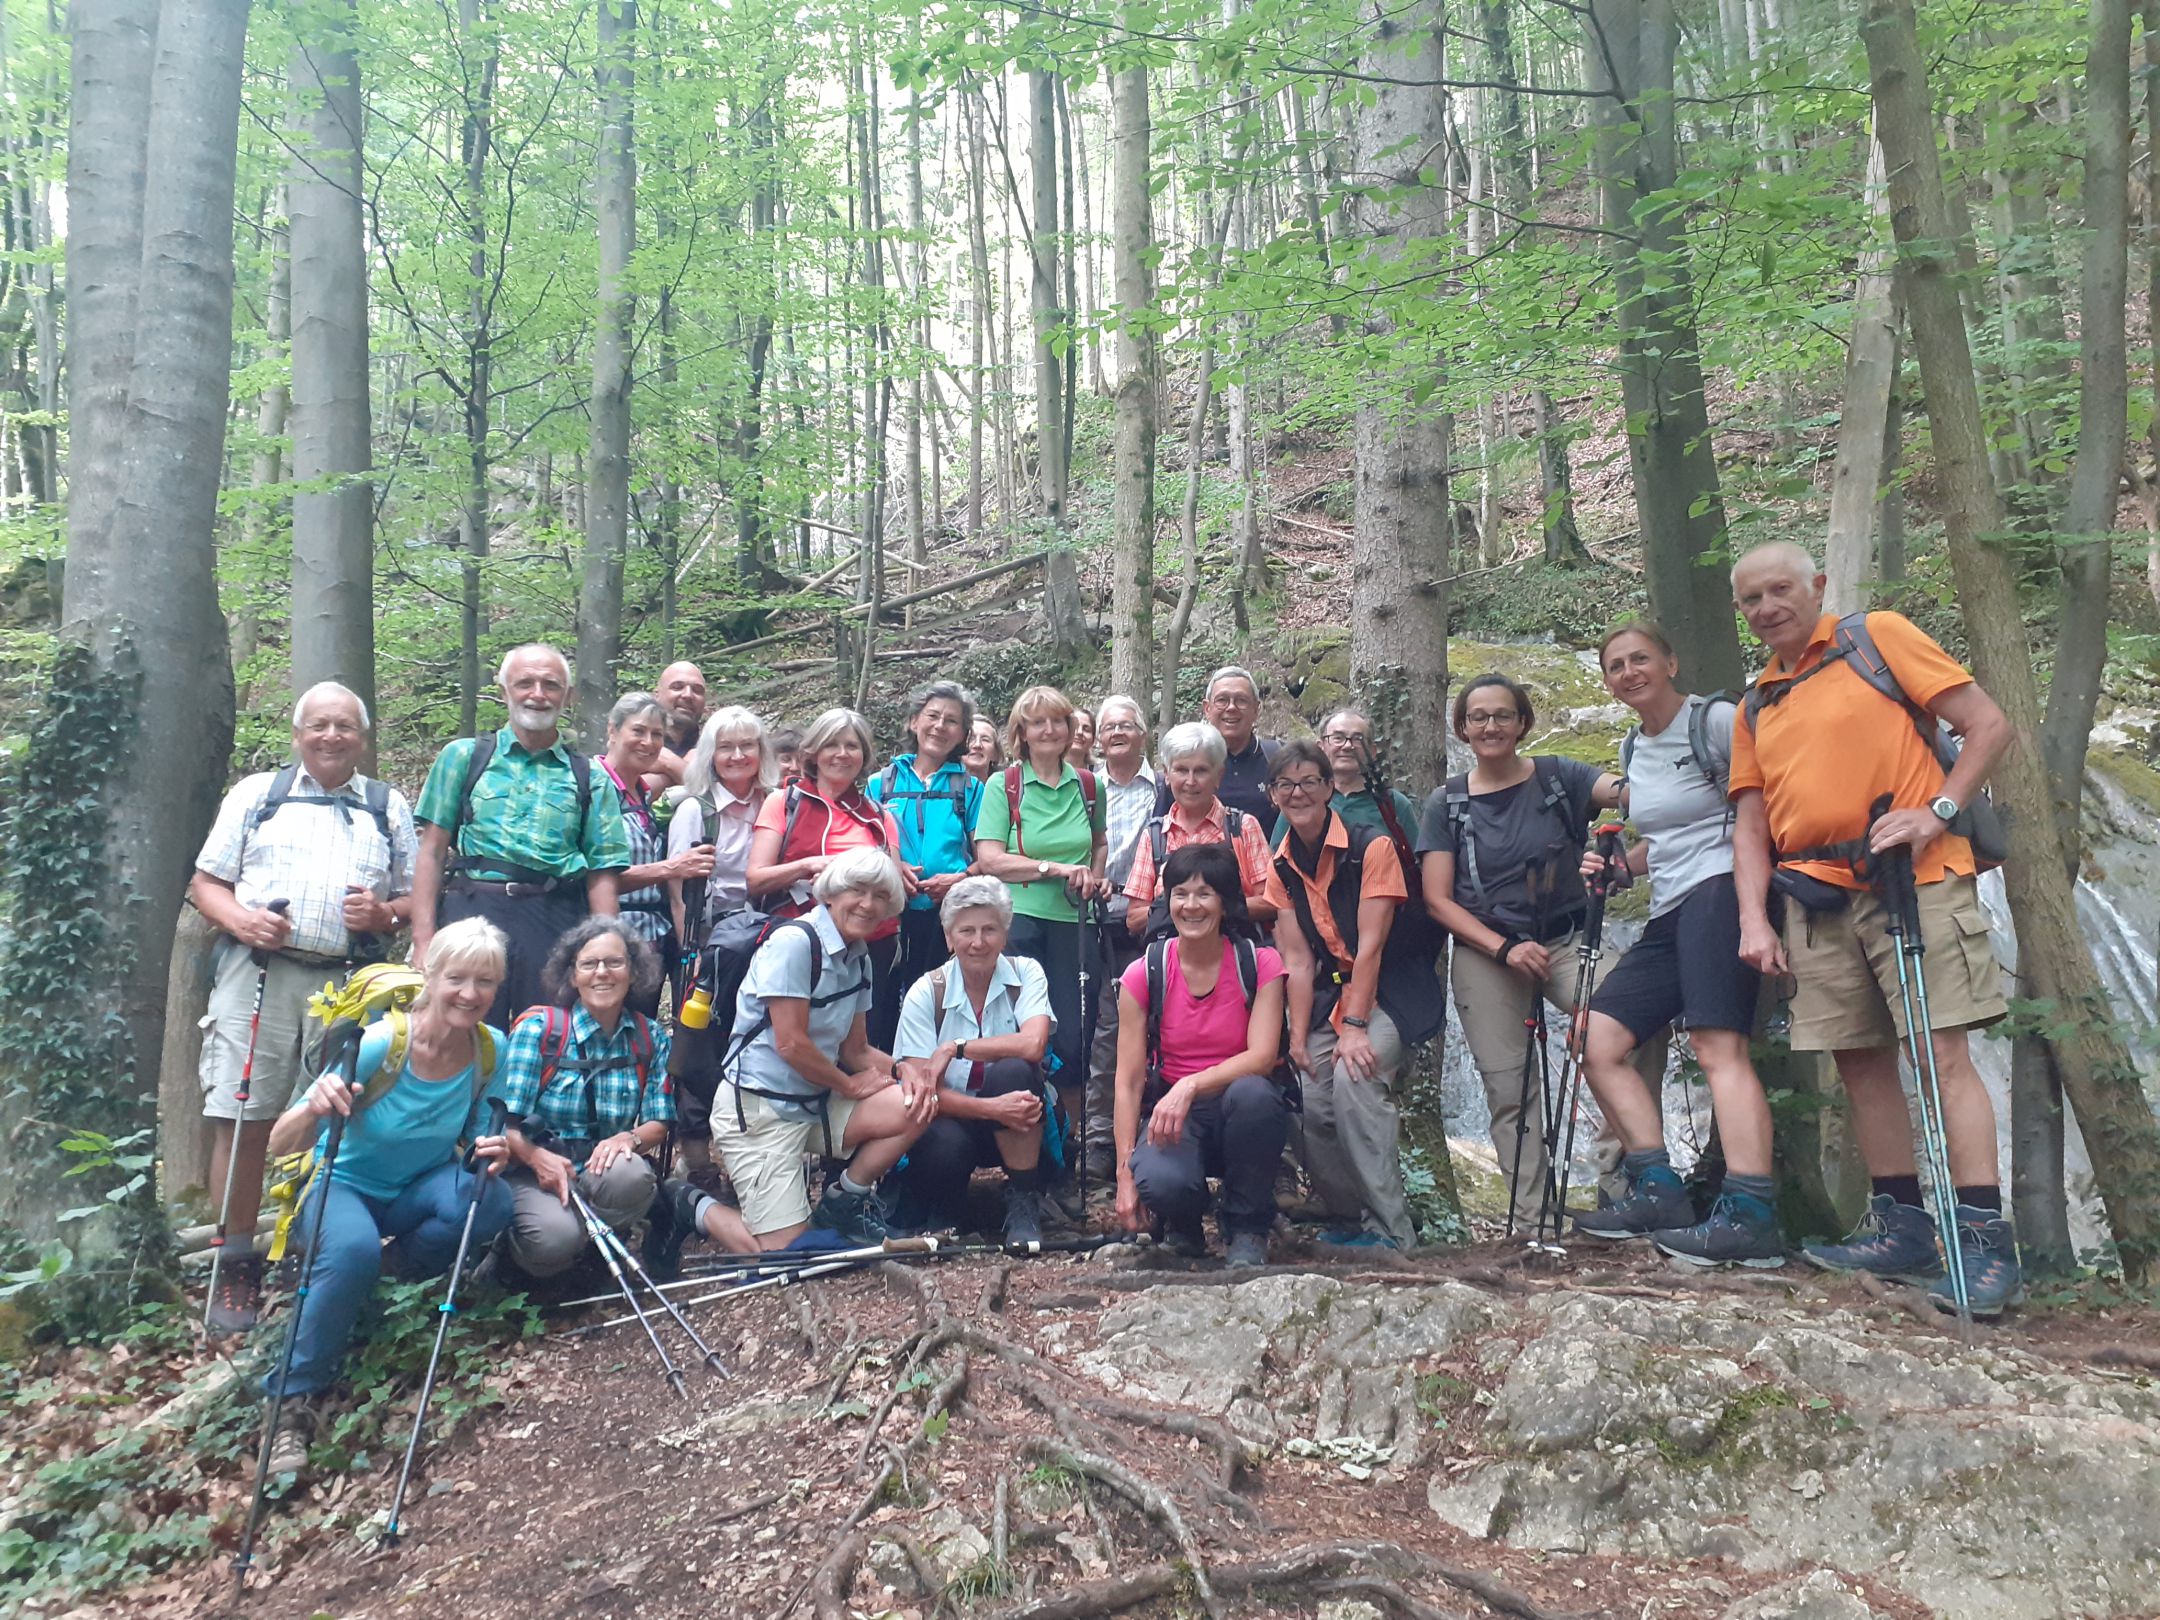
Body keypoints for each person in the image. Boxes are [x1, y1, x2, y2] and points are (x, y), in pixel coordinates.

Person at [1728, 542, 2018, 1313]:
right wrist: (1754, 919)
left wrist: (1939, 811)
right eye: (1752, 599)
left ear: (1817, 585)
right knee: (1858, 1061)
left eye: (1780, 589)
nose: (1767, 608)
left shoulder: (1876, 638)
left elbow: (1988, 725)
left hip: (1913, 880)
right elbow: (1750, 824)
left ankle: (1984, 1245)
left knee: (1940, 1054)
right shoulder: (1756, 702)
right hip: (1812, 897)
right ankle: (1903, 1229)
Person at [191, 681, 421, 1334]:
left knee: (338, 1114)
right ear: (297, 735)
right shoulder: (257, 796)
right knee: (242, 1113)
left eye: (344, 726)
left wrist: (384, 914)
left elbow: (413, 898)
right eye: (318, 725)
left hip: (351, 980)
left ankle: (312, 1245)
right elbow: (206, 883)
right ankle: (236, 1261)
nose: (331, 736)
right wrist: (243, 921)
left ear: (363, 739)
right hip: (257, 972)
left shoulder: (386, 806)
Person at [257, 917, 515, 1478]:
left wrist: (493, 1152)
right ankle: (290, 1403)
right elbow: (280, 1143)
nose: (470, 994)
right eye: (457, 978)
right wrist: (314, 1105)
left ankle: (388, 1274)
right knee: (352, 1249)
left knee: (491, 1202)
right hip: (340, 1185)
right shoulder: (380, 1043)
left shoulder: (490, 1050)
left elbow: (479, 1142)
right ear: (431, 975)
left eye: (485, 981)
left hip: (415, 1189)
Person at [1570, 623, 1782, 1266]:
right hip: (1670, 907)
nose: (1629, 672)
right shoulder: (1634, 747)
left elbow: (1760, 809)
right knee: (1596, 1039)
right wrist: (1620, 867)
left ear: (1670, 662)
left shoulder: (1713, 722)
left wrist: (1756, 915)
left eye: (1640, 659)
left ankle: (1751, 1215)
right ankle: (1659, 1189)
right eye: (1616, 666)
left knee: (1718, 1047)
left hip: (1722, 893)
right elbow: (1666, 840)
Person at [1417, 673, 1641, 1222]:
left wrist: (1629, 842)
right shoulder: (1447, 803)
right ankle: (1530, 1214)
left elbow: (1631, 795)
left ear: (1522, 722)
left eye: (1502, 715)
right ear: (1462, 728)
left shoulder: (1560, 776)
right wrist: (1504, 950)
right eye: (1478, 717)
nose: (1490, 726)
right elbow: (1438, 901)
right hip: (1487, 952)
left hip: (1567, 939)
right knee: (1509, 1085)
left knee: (1635, 1025)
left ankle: (1623, 1185)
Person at [698, 848, 939, 1249]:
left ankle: (845, 1200)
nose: (868, 904)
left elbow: (856, 1050)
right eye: (857, 890)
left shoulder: (858, 957)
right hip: (761, 1110)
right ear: (831, 893)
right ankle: (690, 1205)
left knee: (917, 1102)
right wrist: (848, 1086)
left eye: (880, 896)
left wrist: (904, 1070)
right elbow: (791, 1044)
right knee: (786, 1254)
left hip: (813, 1103)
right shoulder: (794, 943)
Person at [411, 645, 629, 1027]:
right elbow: (432, 852)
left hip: (554, 917)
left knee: (549, 1033)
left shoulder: (591, 777)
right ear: (504, 692)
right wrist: (424, 940)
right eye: (525, 683)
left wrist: (605, 951)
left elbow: (602, 873)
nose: (537, 694)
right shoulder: (463, 757)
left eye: (551, 685)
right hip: (472, 910)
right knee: (462, 1031)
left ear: (568, 696)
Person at [1262, 740, 1424, 1250]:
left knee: (1356, 1079)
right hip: (1331, 995)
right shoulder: (1281, 864)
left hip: (1390, 992)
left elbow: (1371, 946)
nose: (1298, 793)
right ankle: (1348, 1217)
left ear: (1330, 788)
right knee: (1310, 1093)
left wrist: (1355, 1027)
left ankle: (1391, 1231)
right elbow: (1297, 959)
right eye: (1286, 784)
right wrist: (1296, 1036)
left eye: (1309, 782)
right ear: (1272, 795)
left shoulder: (1371, 846)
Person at [1114, 843, 1290, 1267]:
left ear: (1225, 903)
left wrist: (1190, 1085)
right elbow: (1128, 1081)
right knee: (1160, 1181)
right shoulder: (1144, 973)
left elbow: (1262, 1056)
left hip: (1237, 1109)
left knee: (1256, 1095)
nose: (1191, 906)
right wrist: (1124, 1174)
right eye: (1180, 894)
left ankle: (1247, 1226)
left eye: (1204, 894)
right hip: (1173, 1116)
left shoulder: (1260, 964)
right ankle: (1184, 1223)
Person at [972, 685, 1110, 1176]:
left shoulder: (1089, 786)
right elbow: (990, 858)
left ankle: (1068, 1145)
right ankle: (1026, 1152)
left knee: (1074, 1039)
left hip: (1075, 923)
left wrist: (1094, 875)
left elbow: (1098, 842)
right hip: (1019, 922)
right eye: (1038, 722)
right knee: (1022, 1037)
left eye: (1058, 721)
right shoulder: (1004, 786)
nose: (1049, 730)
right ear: (1022, 733)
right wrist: (1054, 869)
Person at [492, 918, 673, 1280]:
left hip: (598, 1170)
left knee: (632, 1177)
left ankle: (592, 1250)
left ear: (633, 972)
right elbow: (502, 1125)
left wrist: (629, 1138)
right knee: (554, 1238)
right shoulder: (539, 1032)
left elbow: (659, 1120)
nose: (602, 973)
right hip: (533, 1171)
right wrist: (536, 1157)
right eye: (589, 964)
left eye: (614, 962)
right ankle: (518, 1259)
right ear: (572, 975)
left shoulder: (649, 1037)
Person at [885, 877, 1056, 1246]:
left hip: (1018, 1118)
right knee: (941, 1137)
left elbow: (1033, 1045)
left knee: (1014, 1069)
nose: (978, 942)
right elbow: (920, 1089)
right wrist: (992, 1109)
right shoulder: (926, 991)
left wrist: (955, 1048)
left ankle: (1024, 1199)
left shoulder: (1026, 973)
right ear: (949, 938)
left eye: (989, 929)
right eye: (966, 931)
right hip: (953, 1120)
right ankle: (947, 1206)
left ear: (1004, 934)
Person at [747, 707, 908, 1047]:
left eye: (852, 746)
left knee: (862, 1043)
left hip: (868, 947)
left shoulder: (878, 816)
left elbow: (893, 892)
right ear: (813, 753)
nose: (842, 754)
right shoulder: (784, 803)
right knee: (796, 1039)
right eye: (832, 744)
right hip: (799, 944)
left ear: (864, 755)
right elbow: (756, 879)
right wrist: (808, 866)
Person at [666, 706, 778, 1172]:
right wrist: (689, 951)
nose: (736, 756)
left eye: (746, 745)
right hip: (709, 939)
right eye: (725, 747)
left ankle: (751, 1145)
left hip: (763, 938)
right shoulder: (696, 810)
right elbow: (678, 890)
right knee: (698, 1043)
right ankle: (696, 1155)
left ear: (761, 751)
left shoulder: (775, 804)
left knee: (752, 1037)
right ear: (710, 754)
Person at [867, 680, 985, 1046]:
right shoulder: (880, 783)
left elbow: (986, 856)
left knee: (938, 1000)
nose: (940, 726)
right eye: (932, 716)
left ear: (963, 734)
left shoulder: (970, 788)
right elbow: (865, 846)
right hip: (887, 913)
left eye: (952, 721)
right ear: (913, 721)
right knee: (881, 1001)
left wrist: (958, 879)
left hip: (946, 914)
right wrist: (893, 867)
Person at [596, 692, 713, 1014]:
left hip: (652, 941)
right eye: (638, 731)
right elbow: (592, 876)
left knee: (641, 1032)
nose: (648, 742)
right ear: (612, 730)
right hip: (608, 942)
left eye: (657, 735)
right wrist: (673, 868)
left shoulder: (643, 794)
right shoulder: (592, 787)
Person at [1083, 696, 1158, 1176]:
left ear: (1143, 735)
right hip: (1097, 924)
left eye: (1126, 726)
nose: (1116, 733)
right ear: (1097, 738)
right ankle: (1099, 1137)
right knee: (1105, 1033)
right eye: (1108, 726)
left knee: (1158, 1028)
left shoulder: (1165, 787)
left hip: (1153, 925)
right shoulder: (1086, 789)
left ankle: (1152, 1130)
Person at [1123, 722, 1276, 941]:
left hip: (1234, 951)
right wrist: (1184, 908)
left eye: (1201, 771)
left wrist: (1214, 908)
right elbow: (1133, 918)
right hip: (1170, 955)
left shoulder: (1242, 828)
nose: (1190, 781)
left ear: (1218, 776)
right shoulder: (1156, 836)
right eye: (1181, 770)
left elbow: (1271, 901)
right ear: (1167, 775)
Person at [1154, 666, 1277, 825]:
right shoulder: (1185, 764)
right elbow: (1161, 826)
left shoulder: (1276, 759)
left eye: (1241, 700)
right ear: (1207, 708)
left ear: (1256, 709)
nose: (1231, 707)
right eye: (1222, 700)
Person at [1316, 710, 1422, 841]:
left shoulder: (1394, 805)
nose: (1348, 746)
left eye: (1358, 739)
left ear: (1372, 751)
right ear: (1320, 747)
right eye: (1338, 738)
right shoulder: (1305, 799)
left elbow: (1414, 853)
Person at [646, 660, 709, 792]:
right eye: (677, 687)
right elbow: (619, 792)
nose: (688, 695)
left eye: (697, 690)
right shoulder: (636, 742)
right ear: (656, 695)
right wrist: (688, 772)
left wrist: (668, 762)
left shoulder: (712, 747)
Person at [963, 714, 1005, 783]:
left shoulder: (1005, 786)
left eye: (985, 740)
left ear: (996, 753)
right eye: (971, 738)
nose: (977, 744)